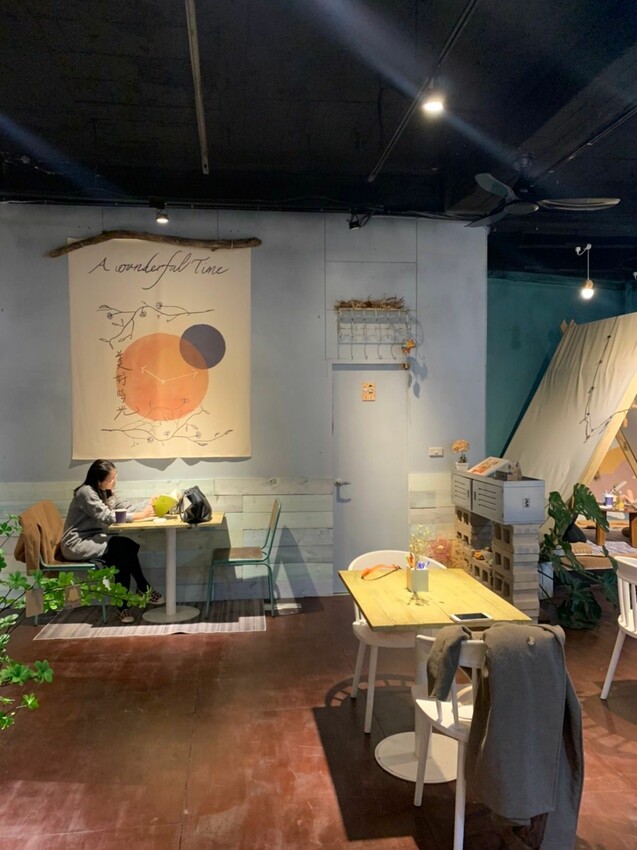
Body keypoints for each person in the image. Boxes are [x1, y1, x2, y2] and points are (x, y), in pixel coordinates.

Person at [61, 459, 164, 623]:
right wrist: (140, 516)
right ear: (98, 480)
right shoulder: (86, 492)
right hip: (76, 544)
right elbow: (106, 516)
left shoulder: (105, 491)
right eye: (110, 479)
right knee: (123, 547)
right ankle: (142, 589)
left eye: (115, 477)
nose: (114, 482)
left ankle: (126, 604)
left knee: (123, 552)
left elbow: (126, 507)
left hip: (95, 539)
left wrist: (149, 503)